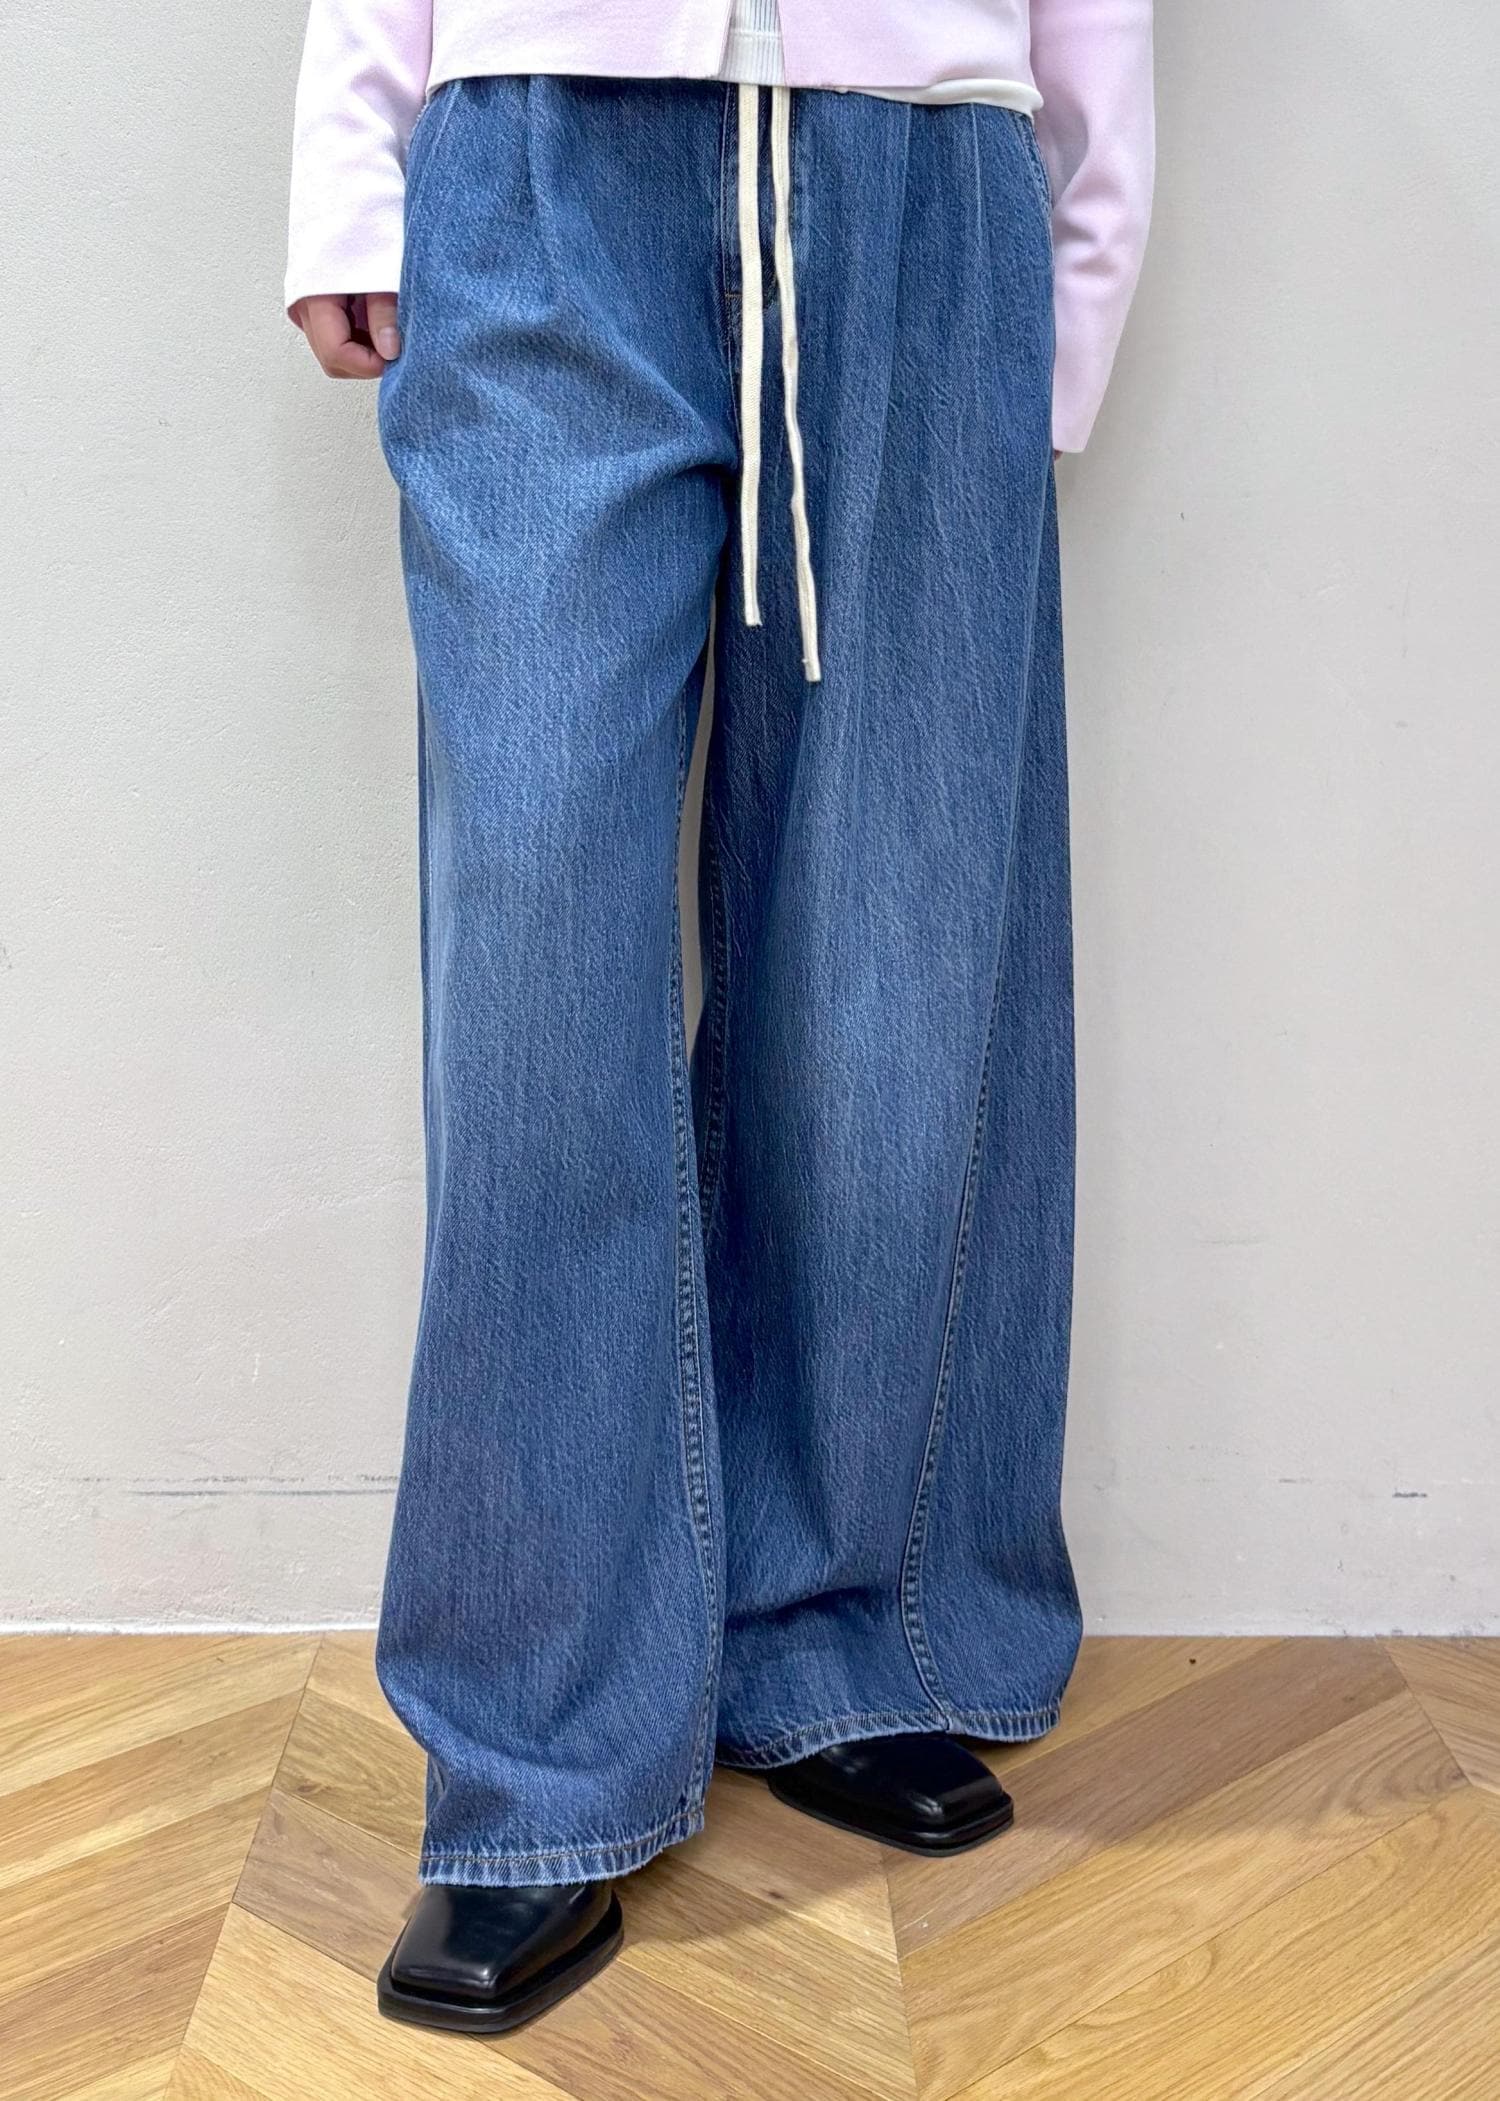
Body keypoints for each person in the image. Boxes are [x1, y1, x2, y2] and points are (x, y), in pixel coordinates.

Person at [286, 0, 1153, 2038]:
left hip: (917, 178)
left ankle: (841, 1624)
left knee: (893, 965)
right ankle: (537, 1752)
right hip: (542, 163)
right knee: (533, 958)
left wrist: (1077, 256)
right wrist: (349, 162)